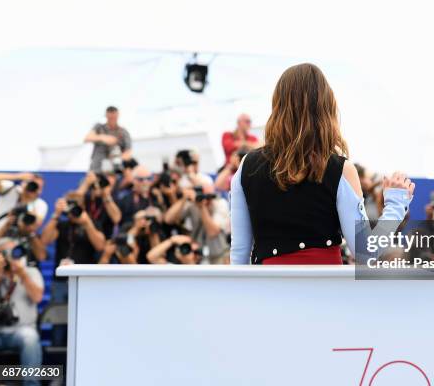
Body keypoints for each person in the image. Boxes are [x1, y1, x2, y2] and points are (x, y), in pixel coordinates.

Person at [230, 63, 414, 265]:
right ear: (326, 107)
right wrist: (396, 204)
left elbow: (239, 254)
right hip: (325, 291)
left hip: (266, 291)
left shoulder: (247, 166)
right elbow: (366, 252)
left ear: (278, 105)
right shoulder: (340, 169)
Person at [41, 193, 106, 304]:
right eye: (70, 205)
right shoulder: (61, 225)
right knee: (59, 316)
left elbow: (100, 246)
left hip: (84, 279)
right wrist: (56, 215)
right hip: (61, 280)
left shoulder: (93, 225)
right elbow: (45, 240)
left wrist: (87, 223)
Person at [0, 240, 43, 386]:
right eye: (5, 253)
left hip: (22, 330)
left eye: (13, 252)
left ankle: (31, 383)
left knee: (30, 338)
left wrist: (22, 274)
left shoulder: (31, 272)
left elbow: (37, 297)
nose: (10, 257)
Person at [164, 184, 229, 264]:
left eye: (208, 195)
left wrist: (202, 207)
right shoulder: (192, 205)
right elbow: (168, 219)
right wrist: (184, 198)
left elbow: (212, 232)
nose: (206, 199)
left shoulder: (220, 204)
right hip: (196, 255)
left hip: (217, 255)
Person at [84, 106, 132, 172]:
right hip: (97, 167)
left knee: (112, 179)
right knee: (91, 179)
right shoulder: (99, 127)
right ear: (106, 115)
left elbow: (128, 153)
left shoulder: (123, 132)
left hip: (114, 167)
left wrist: (116, 157)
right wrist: (102, 137)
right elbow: (87, 138)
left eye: (114, 116)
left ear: (118, 115)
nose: (112, 118)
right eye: (110, 117)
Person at [76, 171, 121, 239]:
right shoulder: (86, 197)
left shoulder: (112, 200)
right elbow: (72, 202)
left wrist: (106, 195)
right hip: (83, 238)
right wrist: (86, 184)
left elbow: (116, 219)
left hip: (104, 239)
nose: (98, 186)